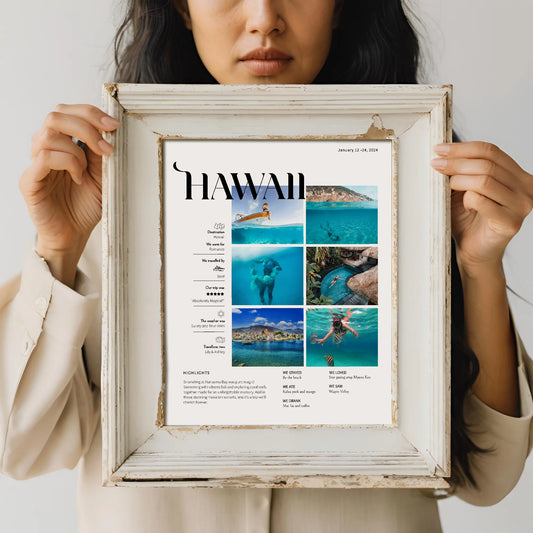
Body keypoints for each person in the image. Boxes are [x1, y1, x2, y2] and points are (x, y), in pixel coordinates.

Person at [1, 1, 533, 532]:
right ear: (182, 9)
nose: (263, 17)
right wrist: (58, 248)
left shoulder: (417, 186)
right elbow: (22, 450)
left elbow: (489, 476)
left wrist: (478, 264)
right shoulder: (108, 201)